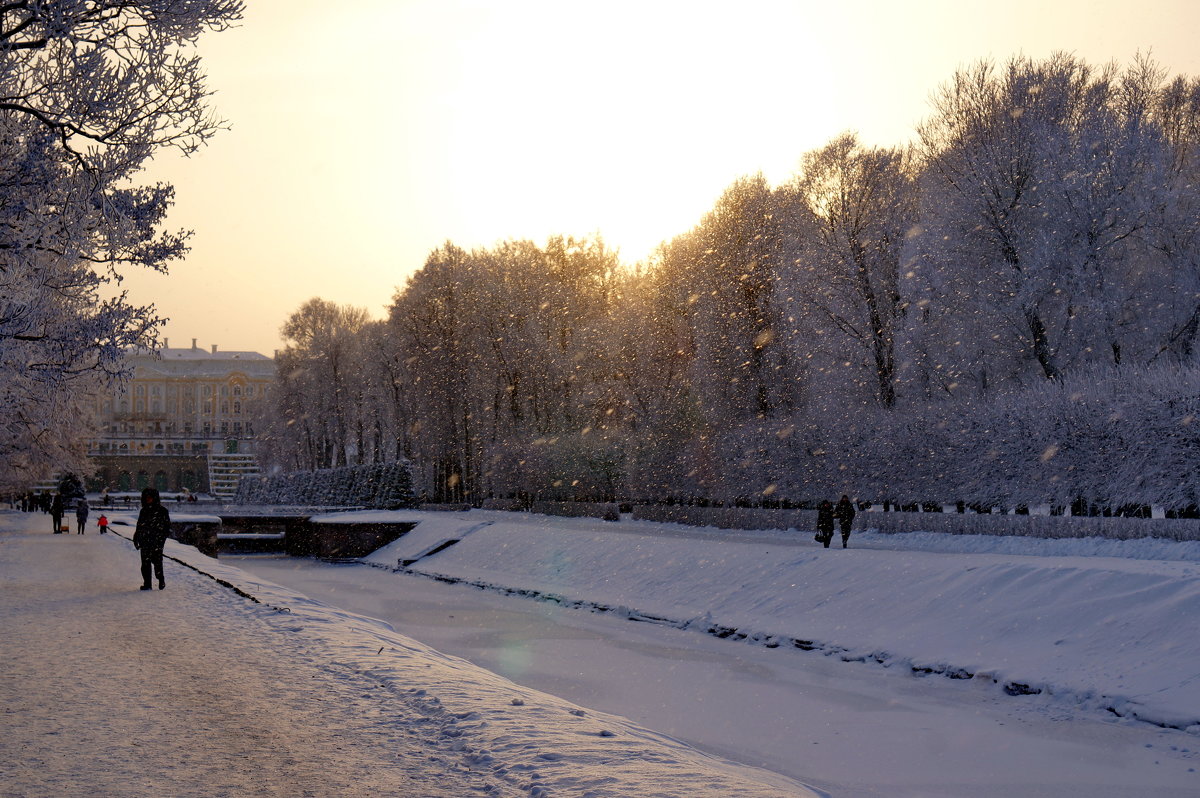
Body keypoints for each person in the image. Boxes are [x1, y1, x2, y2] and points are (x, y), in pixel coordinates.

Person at [133, 487, 171, 590]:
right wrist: (136, 538)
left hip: (156, 541)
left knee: (157, 562)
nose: (147, 499)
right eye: (146, 498)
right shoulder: (144, 511)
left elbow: (167, 528)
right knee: (145, 564)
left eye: (149, 497)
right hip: (145, 541)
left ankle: (161, 579)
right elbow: (139, 526)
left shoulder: (162, 511)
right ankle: (147, 584)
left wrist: (161, 540)